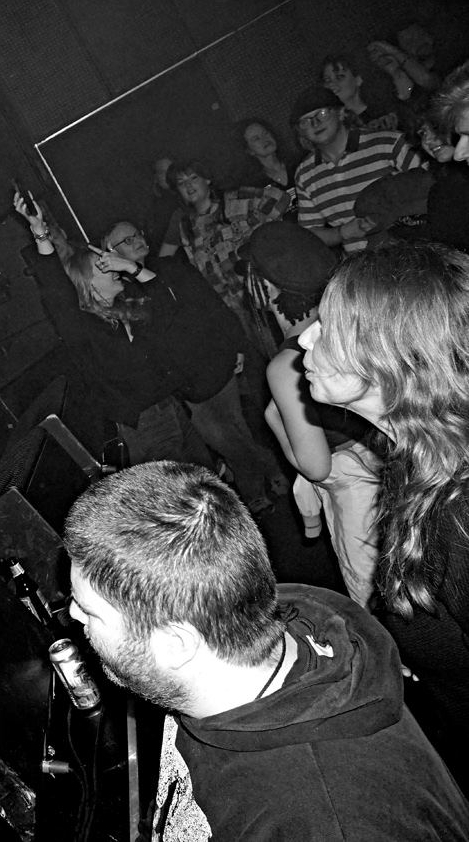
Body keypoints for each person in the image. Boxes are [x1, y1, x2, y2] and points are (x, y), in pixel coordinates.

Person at [62, 460, 469, 841]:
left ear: (176, 645)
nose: (72, 614)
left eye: (90, 610)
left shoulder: (328, 822)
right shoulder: (244, 621)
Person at [297, 241, 469, 784]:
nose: (304, 338)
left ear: (387, 358)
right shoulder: (414, 457)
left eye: (327, 327)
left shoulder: (460, 513)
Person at [241, 223, 380, 606]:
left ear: (266, 287)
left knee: (375, 605)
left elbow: (316, 466)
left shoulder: (286, 363)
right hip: (394, 470)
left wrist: (274, 421)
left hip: (357, 491)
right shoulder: (346, 321)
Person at [103, 221, 285, 513]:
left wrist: (236, 343)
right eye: (127, 240)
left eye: (138, 233)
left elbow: (210, 304)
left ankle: (253, 493)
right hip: (181, 383)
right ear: (111, 253)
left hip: (212, 361)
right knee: (223, 438)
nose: (137, 240)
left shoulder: (171, 267)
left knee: (230, 432)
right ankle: (271, 467)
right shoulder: (119, 290)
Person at [158, 159, 282, 357]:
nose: (188, 186)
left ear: (207, 179)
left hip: (265, 295)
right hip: (234, 309)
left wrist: (264, 238)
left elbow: (280, 199)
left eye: (193, 178)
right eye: (181, 183)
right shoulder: (186, 225)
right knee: (265, 357)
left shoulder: (234, 199)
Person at [290, 85, 422, 252]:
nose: (315, 123)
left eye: (322, 114)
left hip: (411, 252)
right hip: (361, 264)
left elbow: (431, 187)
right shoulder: (305, 174)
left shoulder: (389, 143)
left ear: (341, 113)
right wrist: (342, 232)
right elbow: (310, 233)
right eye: (306, 121)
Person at [234, 118, 300, 219]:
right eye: (256, 139)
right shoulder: (254, 186)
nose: (265, 139)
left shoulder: (298, 163)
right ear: (249, 150)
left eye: (265, 133)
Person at [320, 54, 402, 132]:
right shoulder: (331, 127)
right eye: (326, 80)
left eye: (339, 77)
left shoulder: (386, 114)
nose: (331, 84)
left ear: (358, 80)